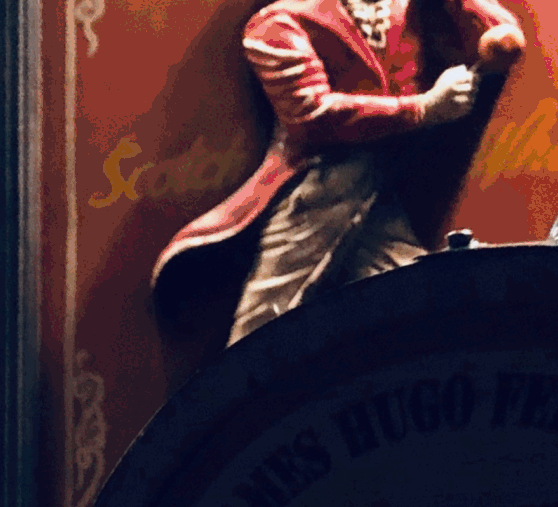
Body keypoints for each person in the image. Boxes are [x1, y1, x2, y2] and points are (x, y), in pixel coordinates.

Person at [154, 0, 526, 343]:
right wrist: (423, 109)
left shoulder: (404, 9)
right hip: (316, 187)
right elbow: (310, 114)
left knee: (413, 302)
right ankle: (236, 392)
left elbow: (505, 36)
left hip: (376, 189)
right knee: (267, 320)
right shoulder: (277, 23)